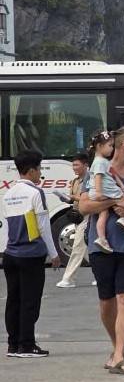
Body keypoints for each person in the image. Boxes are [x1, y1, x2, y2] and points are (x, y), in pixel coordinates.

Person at [78, 126, 124, 376]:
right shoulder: (98, 170)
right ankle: (116, 349)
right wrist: (113, 202)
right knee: (106, 303)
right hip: (102, 247)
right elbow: (84, 207)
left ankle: (120, 354)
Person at [4, 150, 60, 358]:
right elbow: (43, 226)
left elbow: (7, 227)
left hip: (11, 254)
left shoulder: (8, 194)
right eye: (40, 169)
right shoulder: (36, 193)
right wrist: (54, 254)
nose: (40, 174)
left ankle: (13, 344)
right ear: (31, 170)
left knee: (14, 300)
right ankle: (27, 345)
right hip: (31, 255)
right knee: (30, 301)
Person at [87, 130, 124, 252]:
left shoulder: (103, 161)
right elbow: (98, 176)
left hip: (99, 192)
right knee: (123, 198)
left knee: (104, 214)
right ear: (99, 146)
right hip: (105, 191)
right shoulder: (100, 162)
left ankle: (102, 239)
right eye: (110, 146)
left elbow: (113, 174)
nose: (112, 149)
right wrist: (99, 191)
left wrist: (120, 184)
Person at [55, 152, 90, 288]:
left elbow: (89, 198)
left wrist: (73, 197)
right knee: (88, 250)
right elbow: (74, 198)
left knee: (77, 247)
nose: (74, 167)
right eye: (73, 165)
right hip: (78, 215)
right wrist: (66, 198)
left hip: (87, 215)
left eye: (76, 164)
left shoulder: (91, 180)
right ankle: (101, 275)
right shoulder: (75, 181)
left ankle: (68, 279)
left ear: (85, 165)